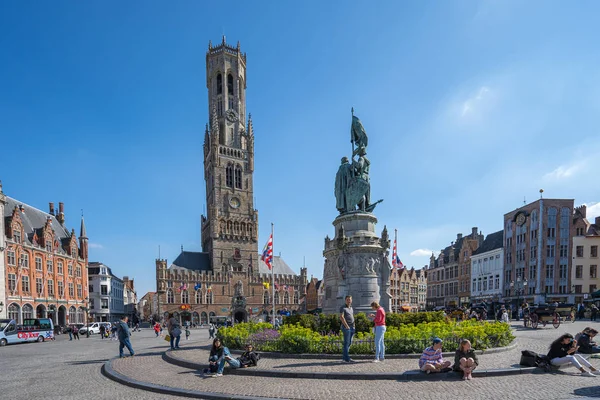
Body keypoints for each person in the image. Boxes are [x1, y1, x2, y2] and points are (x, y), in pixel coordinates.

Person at [340, 295, 355, 363]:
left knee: (349, 343)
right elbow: (341, 317)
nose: (349, 301)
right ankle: (347, 359)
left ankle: (344, 358)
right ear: (345, 300)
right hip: (347, 328)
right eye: (347, 299)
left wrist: (354, 326)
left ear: (351, 300)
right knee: (347, 343)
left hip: (352, 327)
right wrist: (346, 326)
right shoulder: (343, 307)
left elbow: (352, 317)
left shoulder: (351, 308)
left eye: (350, 299)